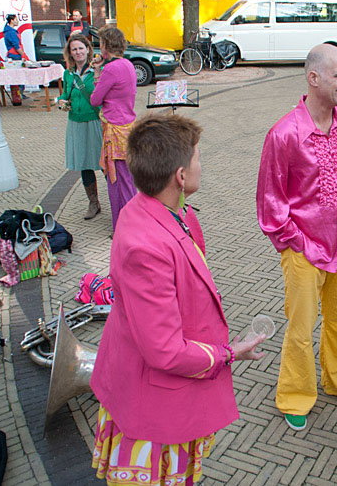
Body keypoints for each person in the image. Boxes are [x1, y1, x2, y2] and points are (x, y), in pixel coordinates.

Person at [90, 113, 266, 486]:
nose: (203, 166)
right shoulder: (147, 247)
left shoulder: (151, 207)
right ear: (181, 177)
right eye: (199, 158)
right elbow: (165, 352)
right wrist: (229, 353)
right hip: (153, 408)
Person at [256, 44, 337, 432]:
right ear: (314, 78)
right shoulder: (284, 133)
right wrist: (297, 242)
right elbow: (271, 204)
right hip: (303, 246)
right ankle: (295, 394)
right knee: (301, 328)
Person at [90, 26, 137, 231]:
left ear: (104, 45)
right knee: (128, 180)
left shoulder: (111, 69)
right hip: (128, 127)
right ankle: (134, 221)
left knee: (116, 180)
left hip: (114, 130)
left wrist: (98, 70)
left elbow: (95, 99)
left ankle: (123, 227)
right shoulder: (128, 65)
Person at [56, 33, 103, 220]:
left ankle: (118, 202)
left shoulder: (97, 70)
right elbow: (65, 94)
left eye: (81, 48)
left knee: (105, 162)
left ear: (88, 49)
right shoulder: (68, 73)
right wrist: (61, 101)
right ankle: (93, 203)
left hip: (95, 121)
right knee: (84, 163)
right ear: (70, 52)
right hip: (76, 122)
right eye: (74, 49)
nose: (78, 52)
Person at [2, 13, 30, 106]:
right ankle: (18, 95)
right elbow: (16, 46)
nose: (17, 21)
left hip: (14, 55)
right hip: (15, 56)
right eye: (16, 19)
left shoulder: (10, 31)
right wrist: (23, 55)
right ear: (12, 20)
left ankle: (19, 94)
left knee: (18, 75)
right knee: (19, 75)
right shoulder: (11, 32)